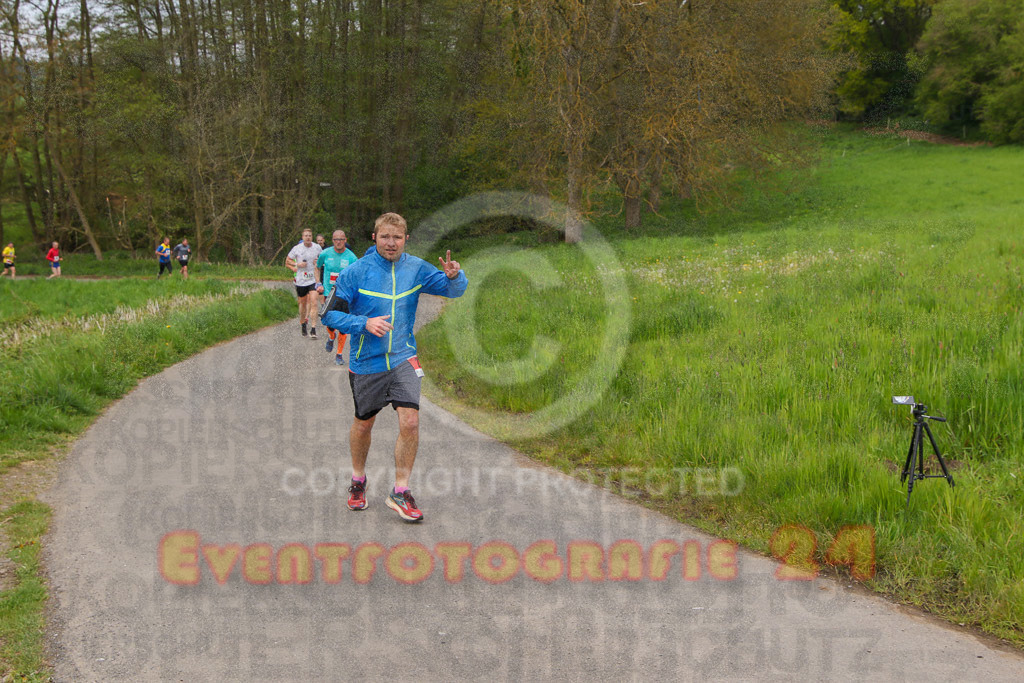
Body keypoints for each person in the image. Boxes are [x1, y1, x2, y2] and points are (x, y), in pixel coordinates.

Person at [322, 212, 468, 522]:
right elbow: (329, 316)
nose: (391, 243)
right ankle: (358, 480)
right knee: (364, 424)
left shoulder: (415, 268)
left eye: (397, 237)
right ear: (374, 237)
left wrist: (456, 277)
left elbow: (453, 291)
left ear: (405, 240)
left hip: (403, 356)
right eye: (385, 236)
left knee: (410, 422)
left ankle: (400, 490)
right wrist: (363, 323)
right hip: (366, 362)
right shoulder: (356, 272)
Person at [314, 229, 358, 365]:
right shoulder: (325, 253)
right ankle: (331, 336)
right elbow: (317, 267)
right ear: (332, 241)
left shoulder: (351, 257)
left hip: (345, 294)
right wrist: (318, 283)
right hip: (329, 292)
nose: (338, 242)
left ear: (345, 240)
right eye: (336, 240)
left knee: (344, 326)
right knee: (329, 321)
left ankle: (339, 354)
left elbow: (357, 275)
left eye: (341, 239)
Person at [285, 228, 323, 338]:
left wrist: (318, 262)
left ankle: (313, 329)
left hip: (313, 279)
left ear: (312, 237)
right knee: (302, 304)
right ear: (302, 237)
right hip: (301, 280)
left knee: (314, 302)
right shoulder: (296, 249)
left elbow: (322, 259)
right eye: (306, 235)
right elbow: (288, 261)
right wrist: (297, 265)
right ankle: (303, 323)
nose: (308, 237)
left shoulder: (317, 247)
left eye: (310, 235)